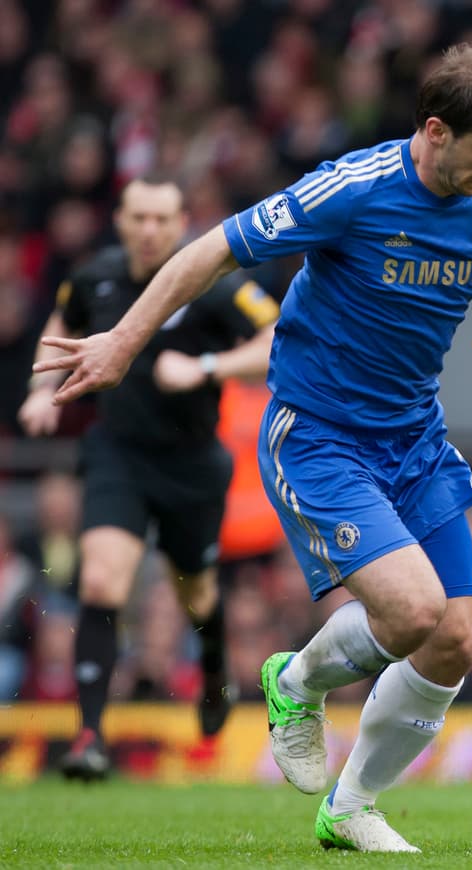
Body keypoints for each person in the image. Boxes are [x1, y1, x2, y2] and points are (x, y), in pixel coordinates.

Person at [36, 44, 472, 852]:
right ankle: (296, 680)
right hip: (318, 435)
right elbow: (213, 248)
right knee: (414, 610)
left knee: (456, 640)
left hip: (414, 434)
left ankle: (350, 806)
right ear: (434, 131)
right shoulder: (354, 189)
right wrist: (127, 344)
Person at [18, 175, 279, 780]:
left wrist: (206, 366)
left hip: (191, 463)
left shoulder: (213, 283)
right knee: (103, 582)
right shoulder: (95, 276)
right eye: (139, 218)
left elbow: (277, 341)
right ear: (121, 221)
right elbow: (60, 326)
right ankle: (89, 736)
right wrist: (39, 391)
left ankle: (214, 672)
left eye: (163, 220)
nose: (150, 230)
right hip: (119, 453)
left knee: (197, 594)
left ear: (181, 220)